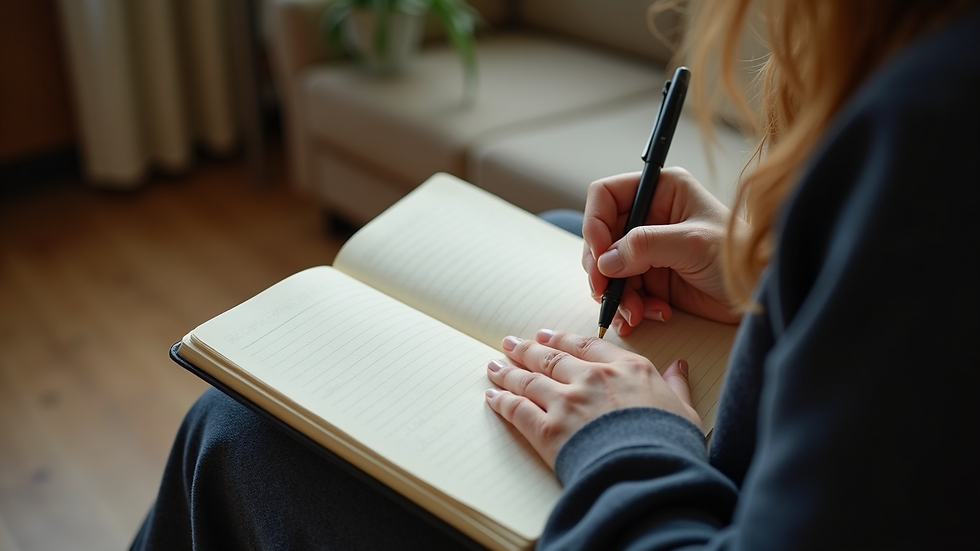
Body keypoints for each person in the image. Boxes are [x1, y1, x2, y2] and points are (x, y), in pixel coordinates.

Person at [131, 0, 980, 549]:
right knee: (555, 230)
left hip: (693, 500)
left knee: (231, 434)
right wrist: (763, 277)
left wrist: (628, 438)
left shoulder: (932, 139)